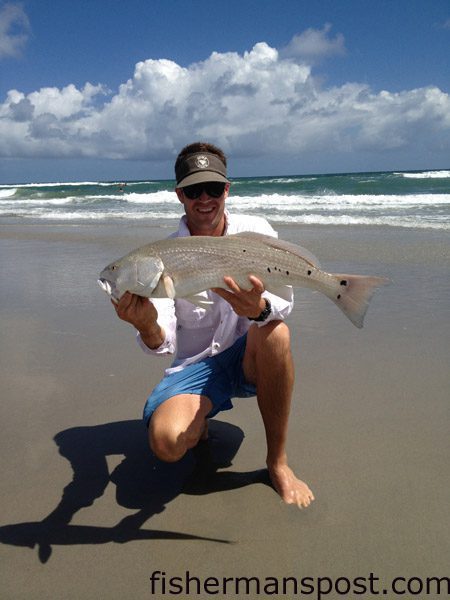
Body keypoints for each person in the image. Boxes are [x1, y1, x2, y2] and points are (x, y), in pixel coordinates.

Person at [114, 142, 314, 508]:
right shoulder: (162, 257)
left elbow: (284, 301)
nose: (204, 198)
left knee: (275, 332)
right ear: (179, 195)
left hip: (247, 357)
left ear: (227, 189)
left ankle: (278, 463)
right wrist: (145, 325)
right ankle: (200, 414)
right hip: (195, 367)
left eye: (213, 188)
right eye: (193, 190)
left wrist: (260, 308)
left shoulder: (254, 230)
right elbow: (164, 340)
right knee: (167, 444)